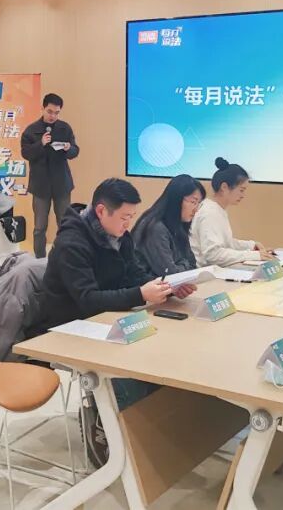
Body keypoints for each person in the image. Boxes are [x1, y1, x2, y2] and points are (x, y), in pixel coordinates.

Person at [30, 178, 194, 467]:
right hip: (70, 324)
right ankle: (111, 429)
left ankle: (149, 433)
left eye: (131, 217)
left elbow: (135, 274)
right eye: (124, 217)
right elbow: (87, 299)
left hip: (107, 317)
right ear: (101, 211)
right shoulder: (72, 242)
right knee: (129, 368)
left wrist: (165, 287)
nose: (128, 224)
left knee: (162, 353)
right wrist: (140, 294)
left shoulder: (120, 236)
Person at [21, 93, 80, 258]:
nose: (53, 116)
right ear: (43, 108)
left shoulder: (65, 128)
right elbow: (25, 153)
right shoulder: (31, 131)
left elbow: (75, 151)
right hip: (40, 186)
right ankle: (39, 260)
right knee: (40, 227)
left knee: (65, 225)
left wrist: (69, 148)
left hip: (62, 184)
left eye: (56, 113)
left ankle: (64, 258)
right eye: (50, 111)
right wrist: (40, 144)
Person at [189, 157, 274, 267]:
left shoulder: (216, 209)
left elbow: (226, 243)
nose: (243, 195)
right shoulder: (209, 213)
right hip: (204, 273)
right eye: (241, 190)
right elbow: (213, 255)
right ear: (224, 187)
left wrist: (251, 246)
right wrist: (253, 255)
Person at [132, 174, 206, 276]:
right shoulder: (155, 228)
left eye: (198, 203)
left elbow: (193, 264)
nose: (196, 209)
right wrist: (184, 263)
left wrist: (181, 265)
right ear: (176, 199)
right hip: (151, 285)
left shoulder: (178, 225)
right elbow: (169, 273)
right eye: (193, 202)